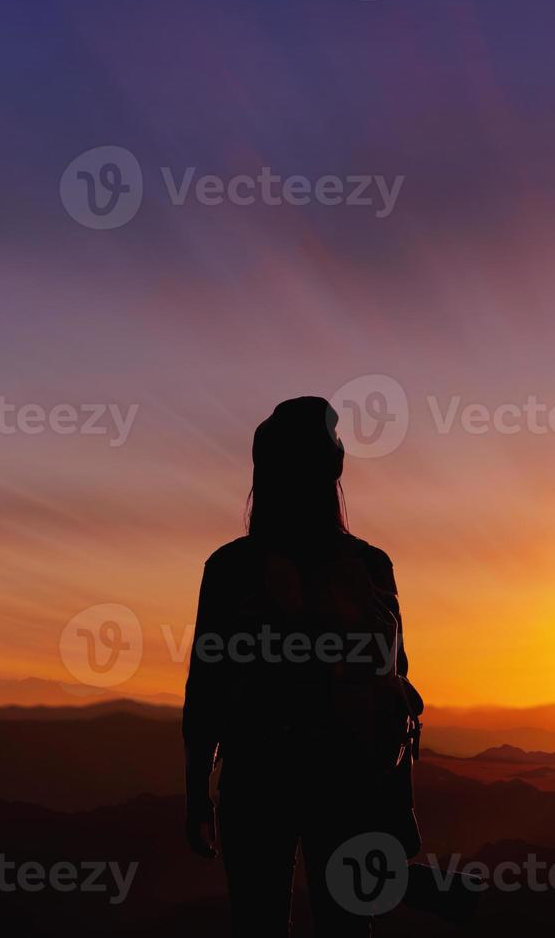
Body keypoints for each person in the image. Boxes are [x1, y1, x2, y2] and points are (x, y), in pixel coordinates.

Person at [182, 397, 426, 937]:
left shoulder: (231, 569)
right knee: (346, 925)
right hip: (351, 782)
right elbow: (396, 679)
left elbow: (207, 685)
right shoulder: (370, 565)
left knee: (258, 922)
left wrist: (197, 787)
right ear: (334, 470)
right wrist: (396, 801)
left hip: (257, 779)